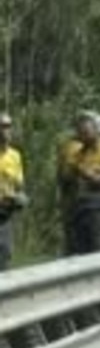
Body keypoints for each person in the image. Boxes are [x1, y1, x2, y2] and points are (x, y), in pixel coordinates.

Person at [58, 110, 100, 254]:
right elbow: (65, 182)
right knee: (77, 253)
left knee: (99, 252)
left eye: (85, 132)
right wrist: (71, 173)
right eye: (79, 132)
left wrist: (91, 176)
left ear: (97, 130)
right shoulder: (78, 153)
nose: (81, 136)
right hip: (79, 211)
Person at [0, 113, 27, 271]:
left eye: (8, 127)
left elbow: (19, 185)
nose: (5, 131)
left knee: (4, 254)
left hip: (5, 214)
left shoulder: (15, 156)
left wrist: (19, 198)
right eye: (2, 127)